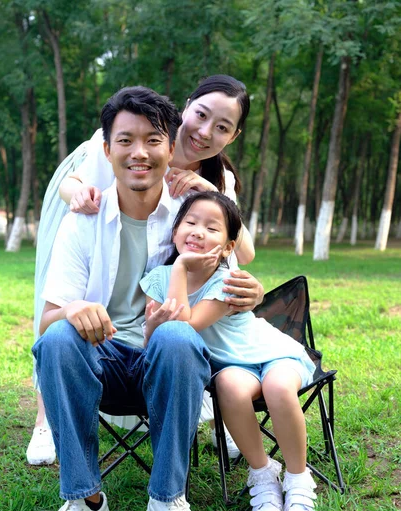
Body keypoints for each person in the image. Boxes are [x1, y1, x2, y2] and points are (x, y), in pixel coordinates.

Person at [17, 86, 225, 511]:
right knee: (57, 338)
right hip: (103, 361)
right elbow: (50, 315)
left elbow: (231, 267)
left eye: (153, 140)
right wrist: (71, 311)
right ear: (106, 149)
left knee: (175, 334)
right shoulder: (84, 218)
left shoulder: (190, 221)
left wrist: (248, 289)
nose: (139, 153)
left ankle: (168, 500)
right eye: (125, 140)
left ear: (171, 149)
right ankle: (85, 502)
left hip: (166, 365)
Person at [27, 74, 264, 466]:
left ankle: (223, 409)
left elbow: (241, 249)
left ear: (234, 136)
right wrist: (81, 197)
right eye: (201, 115)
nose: (205, 132)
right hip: (97, 228)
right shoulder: (137, 132)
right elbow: (72, 183)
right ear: (186, 107)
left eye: (222, 127)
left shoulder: (215, 178)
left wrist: (209, 195)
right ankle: (45, 418)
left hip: (164, 270)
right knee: (61, 315)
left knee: (178, 326)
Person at [140, 191, 318, 511]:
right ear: (175, 231)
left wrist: (179, 266)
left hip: (271, 353)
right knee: (230, 389)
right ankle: (263, 473)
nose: (198, 231)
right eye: (190, 223)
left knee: (279, 388)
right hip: (232, 367)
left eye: (211, 227)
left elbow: (185, 325)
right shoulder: (157, 280)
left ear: (227, 248)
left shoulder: (228, 281)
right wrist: (175, 276)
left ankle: (297, 477)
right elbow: (162, 340)